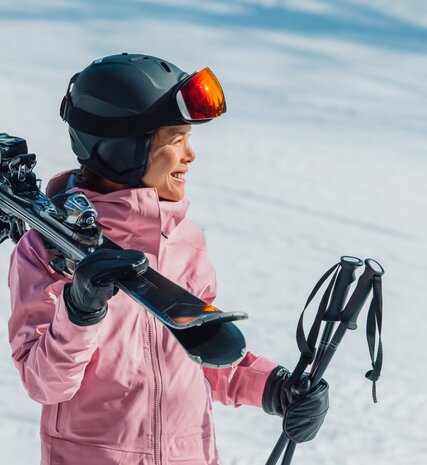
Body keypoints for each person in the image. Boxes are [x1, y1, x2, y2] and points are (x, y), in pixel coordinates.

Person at [8, 53, 329, 465]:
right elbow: (45, 384)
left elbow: (203, 353)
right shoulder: (45, 249)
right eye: (176, 139)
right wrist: (79, 311)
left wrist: (274, 387)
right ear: (123, 149)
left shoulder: (185, 241)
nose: (189, 155)